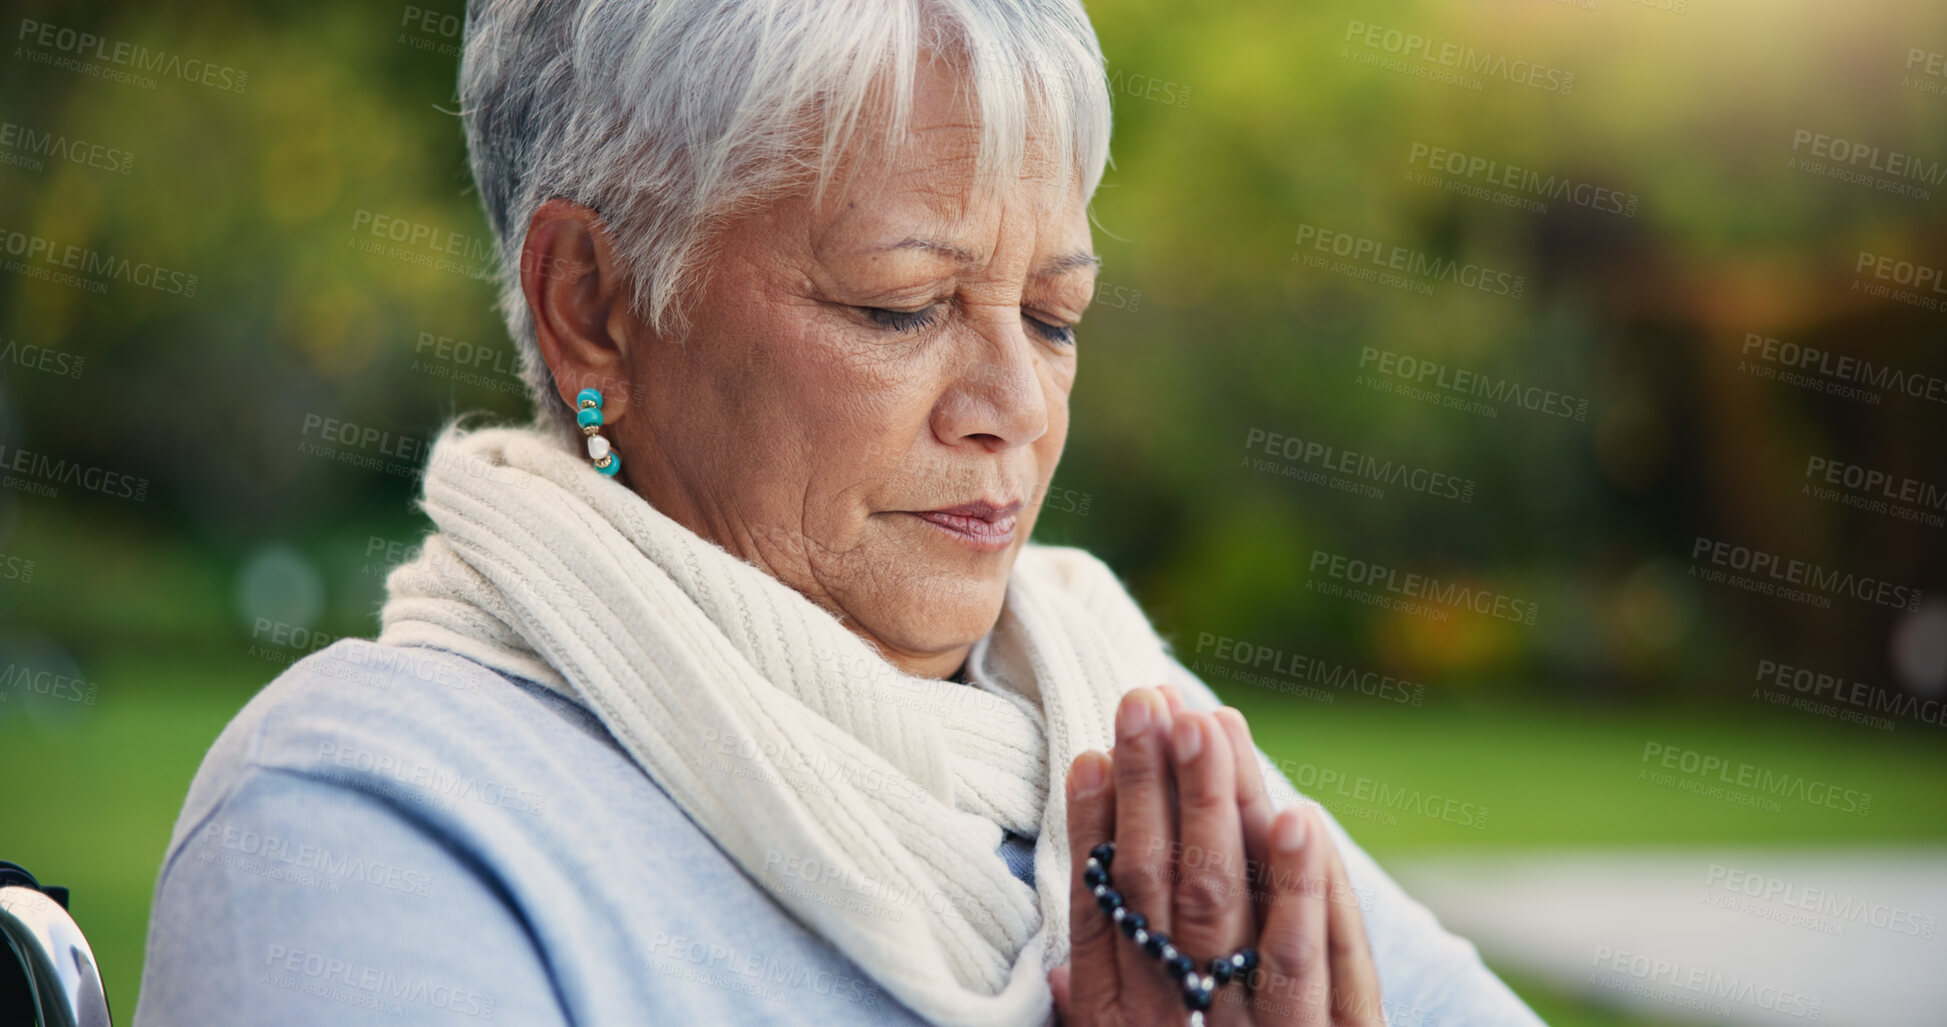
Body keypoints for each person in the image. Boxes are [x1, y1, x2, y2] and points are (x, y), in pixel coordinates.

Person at [136, 2, 1545, 1024]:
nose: (1015, 403)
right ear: (593, 307)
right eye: (901, 304)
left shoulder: (1110, 713)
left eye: (1053, 315)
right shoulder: (368, 809)